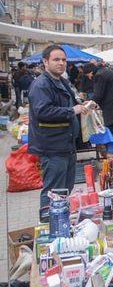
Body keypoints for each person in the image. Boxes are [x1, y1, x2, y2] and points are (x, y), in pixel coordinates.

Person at [28, 45, 89, 222]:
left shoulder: (61, 81)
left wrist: (83, 104)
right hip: (52, 146)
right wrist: (72, 110)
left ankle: (60, 222)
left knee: (64, 189)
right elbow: (43, 112)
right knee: (53, 191)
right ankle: (49, 226)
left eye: (63, 60)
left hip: (66, 144)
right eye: (56, 59)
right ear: (45, 62)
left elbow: (70, 102)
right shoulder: (41, 84)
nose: (61, 63)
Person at [92, 62, 113, 142]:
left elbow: (98, 95)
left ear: (90, 72)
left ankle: (112, 153)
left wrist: (90, 103)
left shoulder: (100, 75)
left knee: (111, 135)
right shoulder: (110, 72)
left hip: (109, 110)